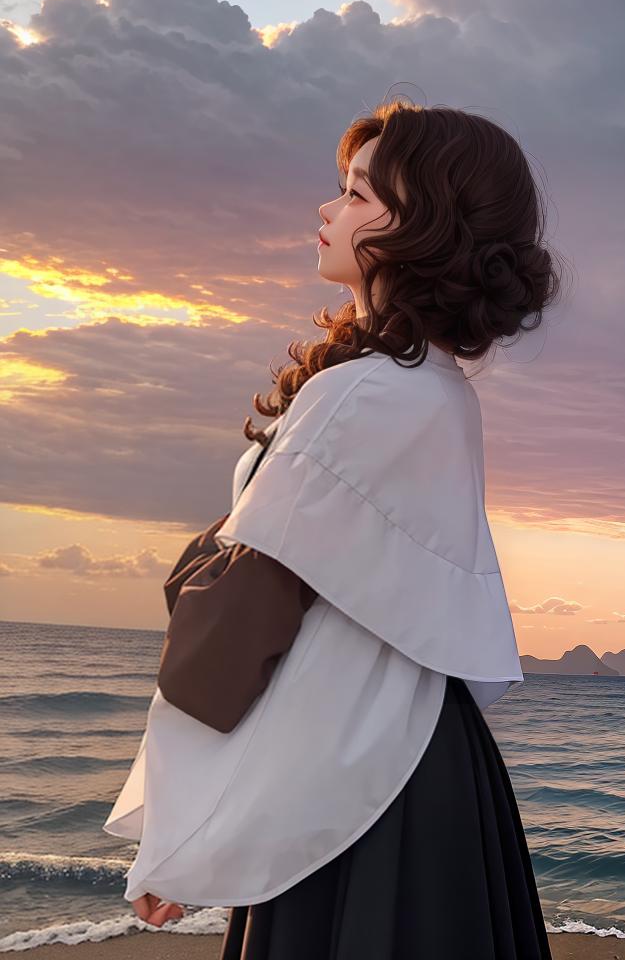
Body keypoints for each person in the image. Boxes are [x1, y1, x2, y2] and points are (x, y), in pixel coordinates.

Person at [102, 96, 566, 959]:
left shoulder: (365, 393)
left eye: (357, 194)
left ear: (422, 224)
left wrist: (180, 833)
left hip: (361, 797)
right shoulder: (433, 390)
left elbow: (241, 624)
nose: (327, 208)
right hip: (419, 766)